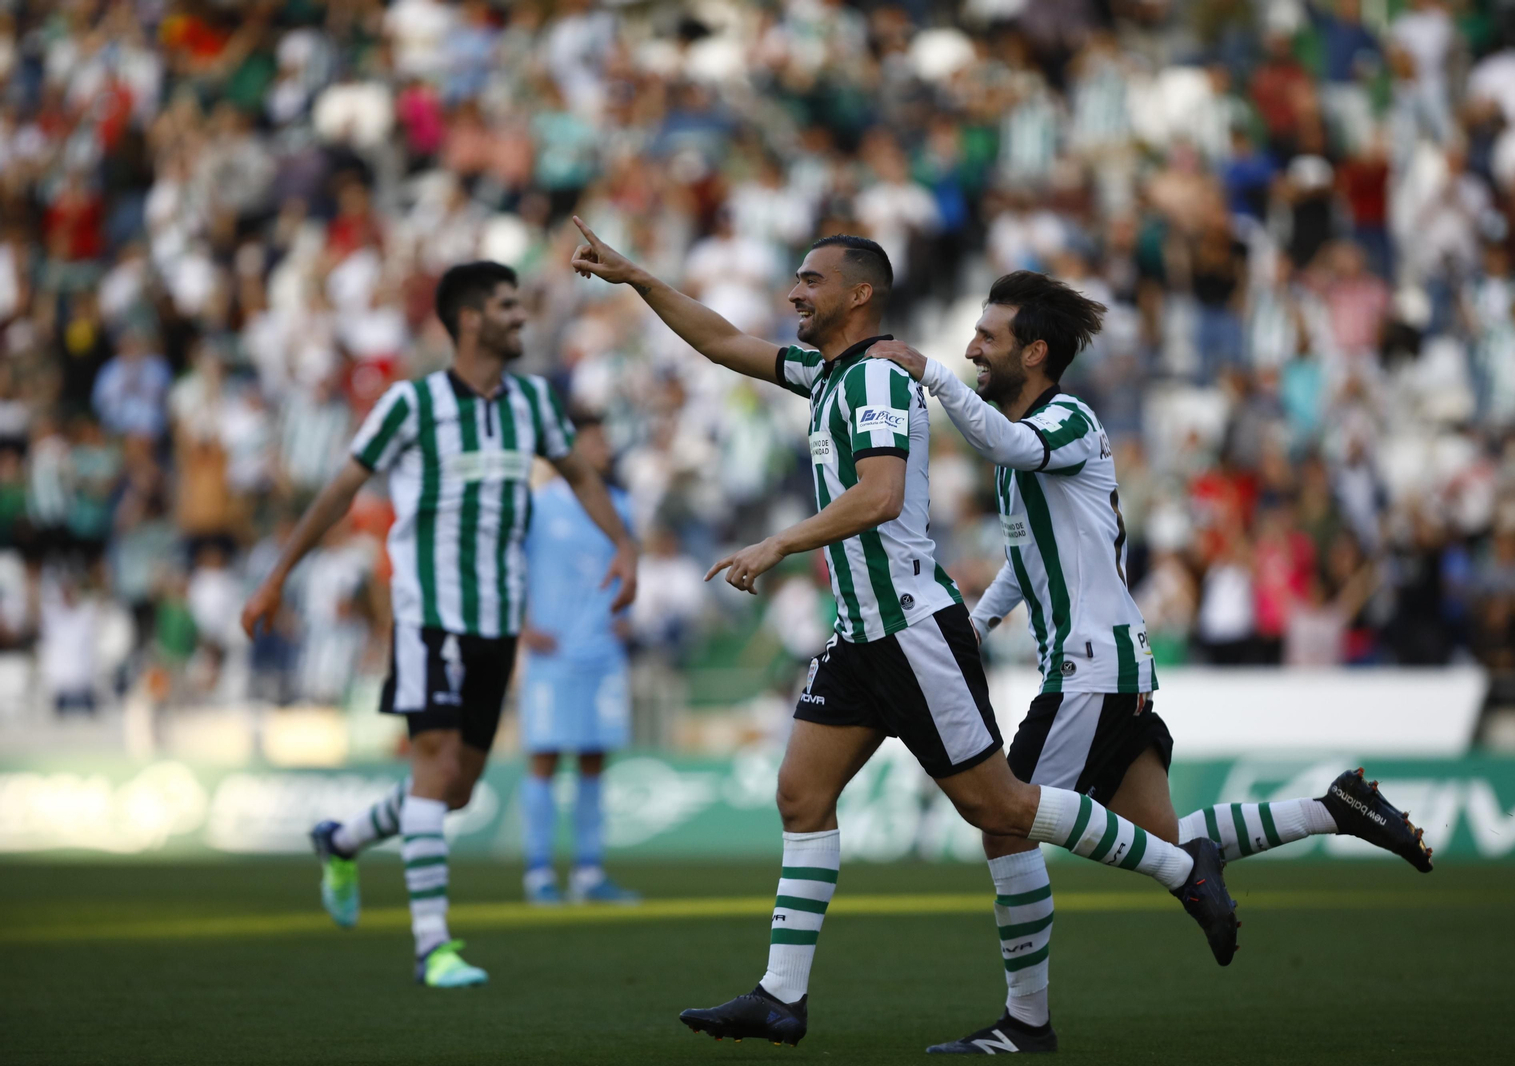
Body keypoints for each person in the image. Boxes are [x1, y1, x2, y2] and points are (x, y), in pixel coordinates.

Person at [569, 220, 1238, 1049]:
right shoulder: (824, 372)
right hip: (859, 636)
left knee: (1000, 809)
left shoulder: (880, 380)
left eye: (810, 281)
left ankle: (1184, 871)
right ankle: (781, 997)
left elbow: (882, 495)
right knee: (800, 794)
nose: (792, 293)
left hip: (911, 632)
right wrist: (638, 275)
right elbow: (721, 342)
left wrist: (780, 540)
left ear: (858, 294)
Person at [867, 271, 1434, 1054]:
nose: (971, 349)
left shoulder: (1061, 420)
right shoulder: (1031, 441)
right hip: (1111, 667)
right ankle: (1334, 809)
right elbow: (1029, 557)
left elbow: (1001, 443)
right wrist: (980, 618)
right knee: (1165, 831)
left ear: (1035, 353)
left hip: (1091, 668)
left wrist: (927, 372)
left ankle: (1027, 1023)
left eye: (987, 338)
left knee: (1004, 821)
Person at [239, 261, 638, 988]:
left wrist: (624, 544)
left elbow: (581, 476)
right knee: (434, 768)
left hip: (493, 623)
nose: (521, 317)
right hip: (428, 616)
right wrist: (275, 578)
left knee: (454, 789)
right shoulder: (410, 404)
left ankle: (342, 840)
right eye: (508, 306)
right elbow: (342, 488)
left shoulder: (533, 405)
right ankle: (433, 946)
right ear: (469, 319)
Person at [518, 409, 639, 905]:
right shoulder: (538, 506)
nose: (605, 450)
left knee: (594, 761)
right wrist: (521, 625)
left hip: (603, 652)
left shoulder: (621, 506)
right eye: (595, 441)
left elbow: (631, 560)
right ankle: (539, 873)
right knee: (544, 760)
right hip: (552, 653)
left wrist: (629, 611)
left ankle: (589, 872)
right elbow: (510, 565)